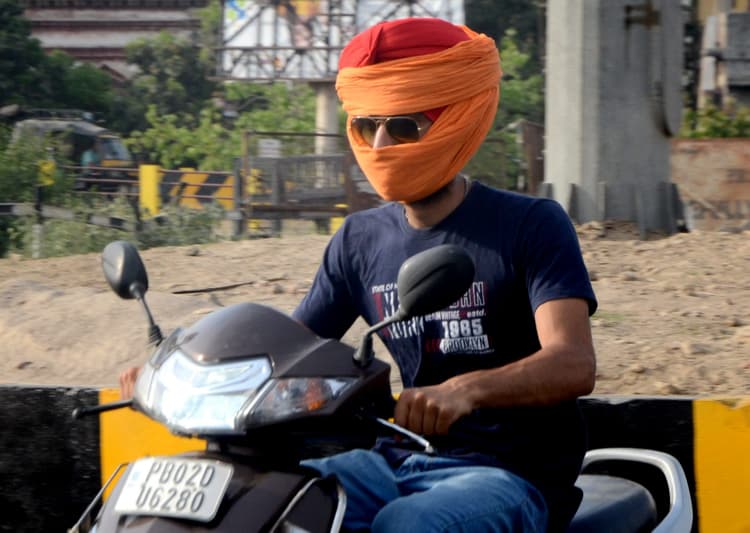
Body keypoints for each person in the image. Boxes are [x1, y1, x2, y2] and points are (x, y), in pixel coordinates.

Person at [120, 17, 597, 533]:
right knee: (265, 500)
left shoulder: (529, 224)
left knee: (406, 525)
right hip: (394, 459)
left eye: (404, 126)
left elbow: (573, 363)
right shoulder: (359, 240)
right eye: (368, 127)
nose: (381, 143)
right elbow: (289, 353)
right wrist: (178, 378)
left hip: (510, 471)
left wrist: (465, 390)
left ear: (456, 122)